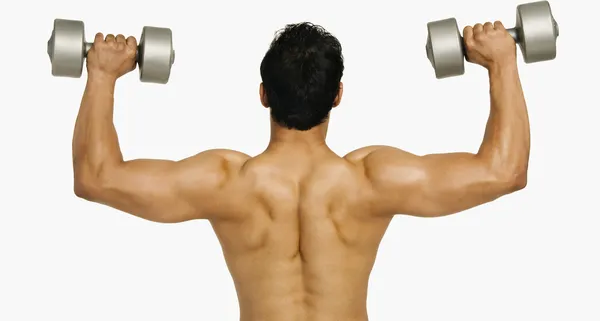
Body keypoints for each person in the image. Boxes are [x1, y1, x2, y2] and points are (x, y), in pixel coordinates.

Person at [72, 20, 529, 321]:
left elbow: (98, 177)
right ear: (338, 95)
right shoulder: (373, 181)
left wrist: (102, 74)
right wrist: (502, 62)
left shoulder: (224, 183)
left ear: (263, 95)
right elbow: (503, 170)